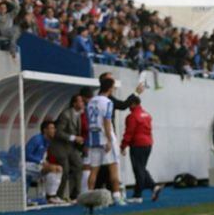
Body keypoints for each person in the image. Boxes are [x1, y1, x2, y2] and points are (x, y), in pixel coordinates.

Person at [86, 77, 126, 206]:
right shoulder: (108, 102)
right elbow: (107, 122)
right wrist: (109, 139)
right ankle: (116, 197)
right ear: (110, 88)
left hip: (93, 137)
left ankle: (89, 196)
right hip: (105, 137)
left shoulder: (91, 101)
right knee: (114, 168)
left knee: (94, 170)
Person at [121, 96, 162, 202]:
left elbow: (129, 133)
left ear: (134, 103)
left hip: (137, 145)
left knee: (138, 170)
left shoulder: (132, 117)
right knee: (141, 168)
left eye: (129, 104)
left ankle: (137, 195)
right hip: (148, 144)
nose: (128, 106)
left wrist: (123, 146)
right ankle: (154, 187)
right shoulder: (147, 115)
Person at [49, 94, 85, 201]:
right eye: (80, 101)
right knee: (65, 170)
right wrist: (74, 138)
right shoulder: (66, 115)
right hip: (60, 147)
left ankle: (76, 194)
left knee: (79, 165)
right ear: (74, 103)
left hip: (71, 147)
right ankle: (58, 196)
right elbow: (58, 132)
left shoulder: (80, 114)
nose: (82, 103)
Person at [25, 120, 64, 204]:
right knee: (53, 168)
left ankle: (52, 195)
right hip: (26, 165)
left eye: (54, 128)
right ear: (45, 130)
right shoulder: (36, 139)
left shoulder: (47, 141)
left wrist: (44, 161)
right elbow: (26, 155)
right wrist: (40, 161)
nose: (54, 130)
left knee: (59, 168)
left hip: (36, 166)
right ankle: (50, 196)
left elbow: (42, 155)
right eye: (52, 128)